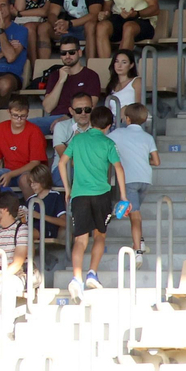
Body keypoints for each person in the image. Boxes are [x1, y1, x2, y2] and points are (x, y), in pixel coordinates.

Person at [59, 105, 128, 294]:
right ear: (109, 125)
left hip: (79, 195)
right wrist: (122, 196)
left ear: (90, 121)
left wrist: (67, 189)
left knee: (80, 240)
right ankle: (92, 273)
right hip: (101, 194)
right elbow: (119, 169)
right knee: (99, 236)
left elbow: (61, 163)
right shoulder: (108, 143)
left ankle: (76, 277)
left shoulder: (78, 139)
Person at [109, 103, 159, 253]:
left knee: (135, 216)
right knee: (134, 211)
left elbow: (102, 141)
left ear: (128, 119)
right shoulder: (148, 137)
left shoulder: (118, 133)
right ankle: (140, 240)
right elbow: (156, 161)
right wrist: (143, 161)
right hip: (145, 179)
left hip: (129, 180)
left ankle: (138, 250)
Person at [0, 96, 46, 206]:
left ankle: (34, 214)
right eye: (15, 115)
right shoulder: (1, 128)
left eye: (22, 116)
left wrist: (11, 174)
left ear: (28, 113)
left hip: (29, 172)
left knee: (25, 179)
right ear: (9, 112)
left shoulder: (34, 131)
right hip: (8, 171)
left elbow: (35, 163)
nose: (19, 119)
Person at [35, 35, 103, 135]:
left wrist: (67, 117)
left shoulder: (91, 75)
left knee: (62, 127)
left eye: (71, 52)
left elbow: (91, 105)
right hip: (54, 119)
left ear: (79, 53)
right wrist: (61, 81)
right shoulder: (55, 76)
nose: (67, 56)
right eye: (63, 53)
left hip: (79, 118)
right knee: (24, 126)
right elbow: (48, 107)